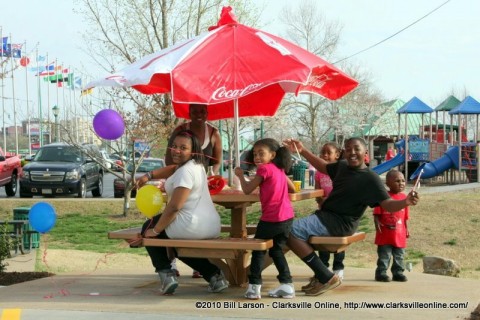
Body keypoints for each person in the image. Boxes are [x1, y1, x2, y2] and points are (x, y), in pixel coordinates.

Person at [282, 137, 419, 296]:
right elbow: (324, 167)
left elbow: (387, 204)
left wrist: (405, 202)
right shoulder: (342, 166)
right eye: (348, 149)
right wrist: (302, 149)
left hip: (339, 223)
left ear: (365, 153)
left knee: (288, 231)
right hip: (325, 217)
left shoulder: (370, 179)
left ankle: (325, 276)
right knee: (281, 233)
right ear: (344, 152)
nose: (352, 153)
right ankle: (318, 276)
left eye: (356, 149)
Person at [133, 129, 228, 295]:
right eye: (174, 146)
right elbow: (172, 169)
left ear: (193, 151)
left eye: (183, 148)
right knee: (175, 244)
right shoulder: (196, 165)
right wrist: (149, 175)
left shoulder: (185, 172)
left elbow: (174, 207)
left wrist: (155, 231)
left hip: (191, 225)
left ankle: (166, 275)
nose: (177, 150)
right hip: (211, 224)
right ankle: (214, 277)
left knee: (149, 227)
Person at [165, 103, 223, 278]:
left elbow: (217, 160)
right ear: (189, 112)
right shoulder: (181, 130)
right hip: (183, 182)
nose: (199, 114)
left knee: (174, 221)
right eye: (195, 111)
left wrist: (213, 174)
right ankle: (172, 263)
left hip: (202, 183)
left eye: (202, 111)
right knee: (170, 218)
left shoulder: (213, 133)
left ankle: (201, 265)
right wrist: (181, 173)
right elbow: (170, 160)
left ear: (207, 112)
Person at [234, 138, 297, 300]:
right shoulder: (279, 168)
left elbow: (247, 190)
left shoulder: (264, 170)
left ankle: (254, 287)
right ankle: (287, 285)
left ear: (273, 154)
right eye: (255, 154)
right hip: (286, 217)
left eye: (261, 153)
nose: (257, 157)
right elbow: (291, 188)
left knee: (258, 251)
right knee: (277, 251)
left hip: (271, 218)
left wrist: (241, 175)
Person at [314, 142, 345, 282]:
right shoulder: (319, 172)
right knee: (323, 240)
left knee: (338, 241)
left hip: (339, 213)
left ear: (337, 155)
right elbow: (317, 191)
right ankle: (323, 268)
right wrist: (321, 201)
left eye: (328, 153)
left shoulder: (341, 171)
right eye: (322, 153)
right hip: (324, 212)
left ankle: (338, 267)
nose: (325, 155)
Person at [373, 169, 410, 282]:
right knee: (385, 255)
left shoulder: (405, 198)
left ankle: (398, 272)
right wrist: (376, 221)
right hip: (385, 232)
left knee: (399, 255)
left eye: (403, 180)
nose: (401, 183)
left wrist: (407, 228)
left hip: (399, 233)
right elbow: (376, 213)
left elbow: (405, 216)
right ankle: (381, 272)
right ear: (388, 183)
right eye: (397, 181)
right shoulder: (383, 196)